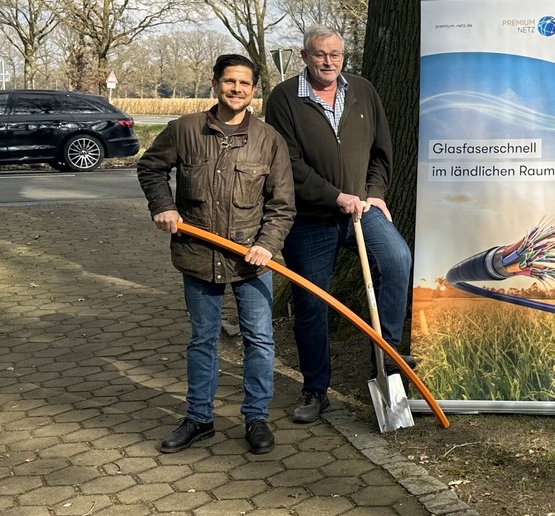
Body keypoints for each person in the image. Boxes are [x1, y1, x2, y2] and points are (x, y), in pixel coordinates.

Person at [137, 54, 295, 455]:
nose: (236, 89)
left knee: (259, 339)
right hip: (198, 254)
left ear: (253, 90)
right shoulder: (184, 130)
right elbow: (151, 169)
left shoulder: (269, 140)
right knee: (202, 339)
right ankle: (199, 419)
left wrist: (267, 244)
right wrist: (163, 206)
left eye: (244, 83)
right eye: (229, 82)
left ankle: (256, 418)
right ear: (215, 84)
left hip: (251, 259)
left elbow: (282, 205)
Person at [265, 25, 413, 423]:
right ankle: (315, 389)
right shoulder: (283, 98)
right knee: (312, 303)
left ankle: (386, 361)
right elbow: (288, 164)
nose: (328, 62)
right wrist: (335, 196)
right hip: (311, 219)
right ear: (304, 56)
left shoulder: (363, 91)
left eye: (335, 54)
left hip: (363, 212)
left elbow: (383, 150)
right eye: (319, 55)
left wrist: (375, 191)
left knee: (397, 260)